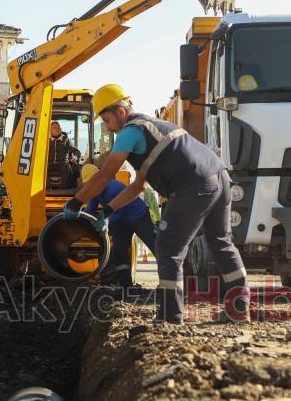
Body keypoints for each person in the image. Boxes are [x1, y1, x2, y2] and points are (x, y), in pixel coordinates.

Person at [63, 84, 249, 325]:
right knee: (221, 243)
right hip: (219, 177)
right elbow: (137, 186)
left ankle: (170, 316)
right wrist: (108, 210)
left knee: (168, 248)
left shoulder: (130, 132)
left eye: (107, 120)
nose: (108, 127)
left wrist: (77, 201)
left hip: (193, 184)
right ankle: (239, 309)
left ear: (120, 111)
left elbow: (104, 175)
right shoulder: (153, 130)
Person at [79, 164, 157, 289]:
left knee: (155, 245)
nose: (91, 186)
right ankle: (125, 285)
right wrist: (79, 216)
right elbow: (91, 211)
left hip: (138, 216)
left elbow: (117, 209)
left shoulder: (113, 187)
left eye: (92, 183)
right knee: (119, 252)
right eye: (88, 184)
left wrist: (106, 223)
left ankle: (168, 281)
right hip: (121, 221)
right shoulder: (95, 192)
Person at [48, 121, 81, 188]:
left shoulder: (66, 140)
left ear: (61, 129)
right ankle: (47, 188)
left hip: (62, 164)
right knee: (41, 167)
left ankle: (62, 189)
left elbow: (76, 151)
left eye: (58, 127)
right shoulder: (47, 140)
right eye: (54, 128)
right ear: (50, 130)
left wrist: (75, 157)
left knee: (67, 166)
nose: (57, 129)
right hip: (50, 164)